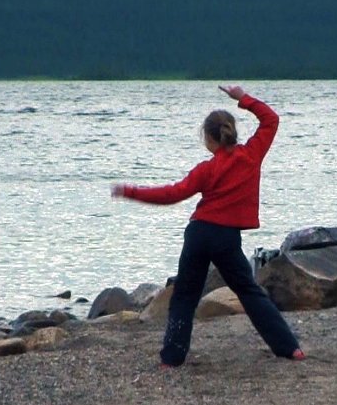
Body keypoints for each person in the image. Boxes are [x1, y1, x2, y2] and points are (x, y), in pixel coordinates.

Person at [111, 85, 305, 369]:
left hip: (200, 233)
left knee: (185, 296)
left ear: (210, 139)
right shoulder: (251, 156)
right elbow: (271, 119)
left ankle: (171, 358)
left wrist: (131, 191)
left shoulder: (206, 169)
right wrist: (242, 98)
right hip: (226, 237)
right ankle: (290, 350)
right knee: (249, 293)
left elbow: (171, 195)